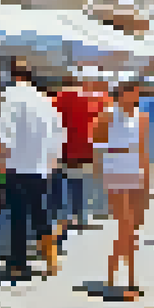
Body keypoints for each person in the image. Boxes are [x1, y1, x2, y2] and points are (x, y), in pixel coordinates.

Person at [0, 59, 65, 281]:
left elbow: (6, 132)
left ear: (12, 75)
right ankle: (51, 259)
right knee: (40, 212)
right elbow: (58, 133)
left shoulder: (10, 97)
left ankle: (18, 263)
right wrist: (52, 162)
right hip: (40, 164)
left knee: (18, 215)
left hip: (17, 163)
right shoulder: (44, 100)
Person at [95, 78, 151, 300]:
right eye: (133, 92)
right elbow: (97, 147)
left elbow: (144, 150)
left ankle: (111, 274)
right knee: (125, 224)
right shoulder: (108, 115)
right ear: (122, 93)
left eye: (138, 93)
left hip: (134, 170)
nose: (137, 97)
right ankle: (130, 280)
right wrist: (100, 174)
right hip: (115, 169)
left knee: (132, 228)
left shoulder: (142, 118)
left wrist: (147, 179)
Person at [52, 69, 108, 233]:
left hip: (64, 150)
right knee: (83, 184)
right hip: (88, 150)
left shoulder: (55, 101)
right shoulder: (92, 100)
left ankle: (67, 217)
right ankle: (82, 216)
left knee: (64, 184)